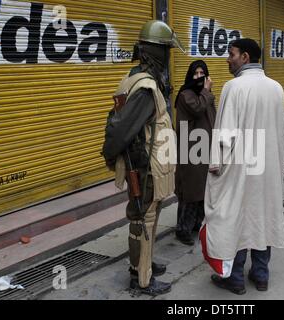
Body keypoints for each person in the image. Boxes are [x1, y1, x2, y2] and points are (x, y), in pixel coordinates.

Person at [101, 20, 184, 296]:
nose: (168, 56)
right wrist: (112, 156)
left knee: (145, 219)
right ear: (155, 51)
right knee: (143, 222)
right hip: (146, 168)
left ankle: (141, 266)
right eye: (166, 50)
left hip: (146, 164)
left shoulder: (133, 76)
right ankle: (143, 280)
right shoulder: (146, 86)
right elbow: (123, 130)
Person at [203, 38, 284, 295]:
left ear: (246, 57)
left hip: (240, 168)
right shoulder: (276, 88)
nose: (228, 59)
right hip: (268, 168)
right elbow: (283, 131)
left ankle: (235, 279)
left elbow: (224, 133)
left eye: (231, 54)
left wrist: (215, 165)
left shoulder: (234, 87)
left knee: (236, 218)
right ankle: (261, 276)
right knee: (263, 215)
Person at [174, 60, 216, 246]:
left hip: (205, 149)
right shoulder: (186, 95)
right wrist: (207, 91)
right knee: (190, 192)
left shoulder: (205, 96)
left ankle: (195, 225)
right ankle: (183, 229)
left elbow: (213, 118)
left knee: (202, 191)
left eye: (202, 73)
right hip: (191, 151)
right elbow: (198, 109)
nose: (199, 77)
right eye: (196, 73)